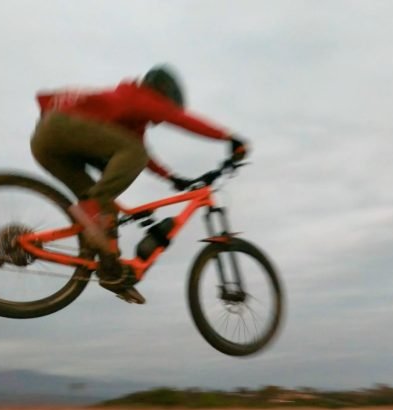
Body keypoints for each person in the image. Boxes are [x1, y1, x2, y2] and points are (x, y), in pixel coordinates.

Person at [30, 65, 248, 304]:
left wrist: (171, 177)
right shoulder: (139, 95)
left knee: (107, 210)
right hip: (62, 127)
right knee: (105, 191)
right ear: (162, 93)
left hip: (46, 142)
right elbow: (179, 122)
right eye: (165, 106)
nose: (161, 113)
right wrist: (229, 137)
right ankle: (92, 207)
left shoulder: (129, 117)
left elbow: (143, 154)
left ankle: (113, 274)